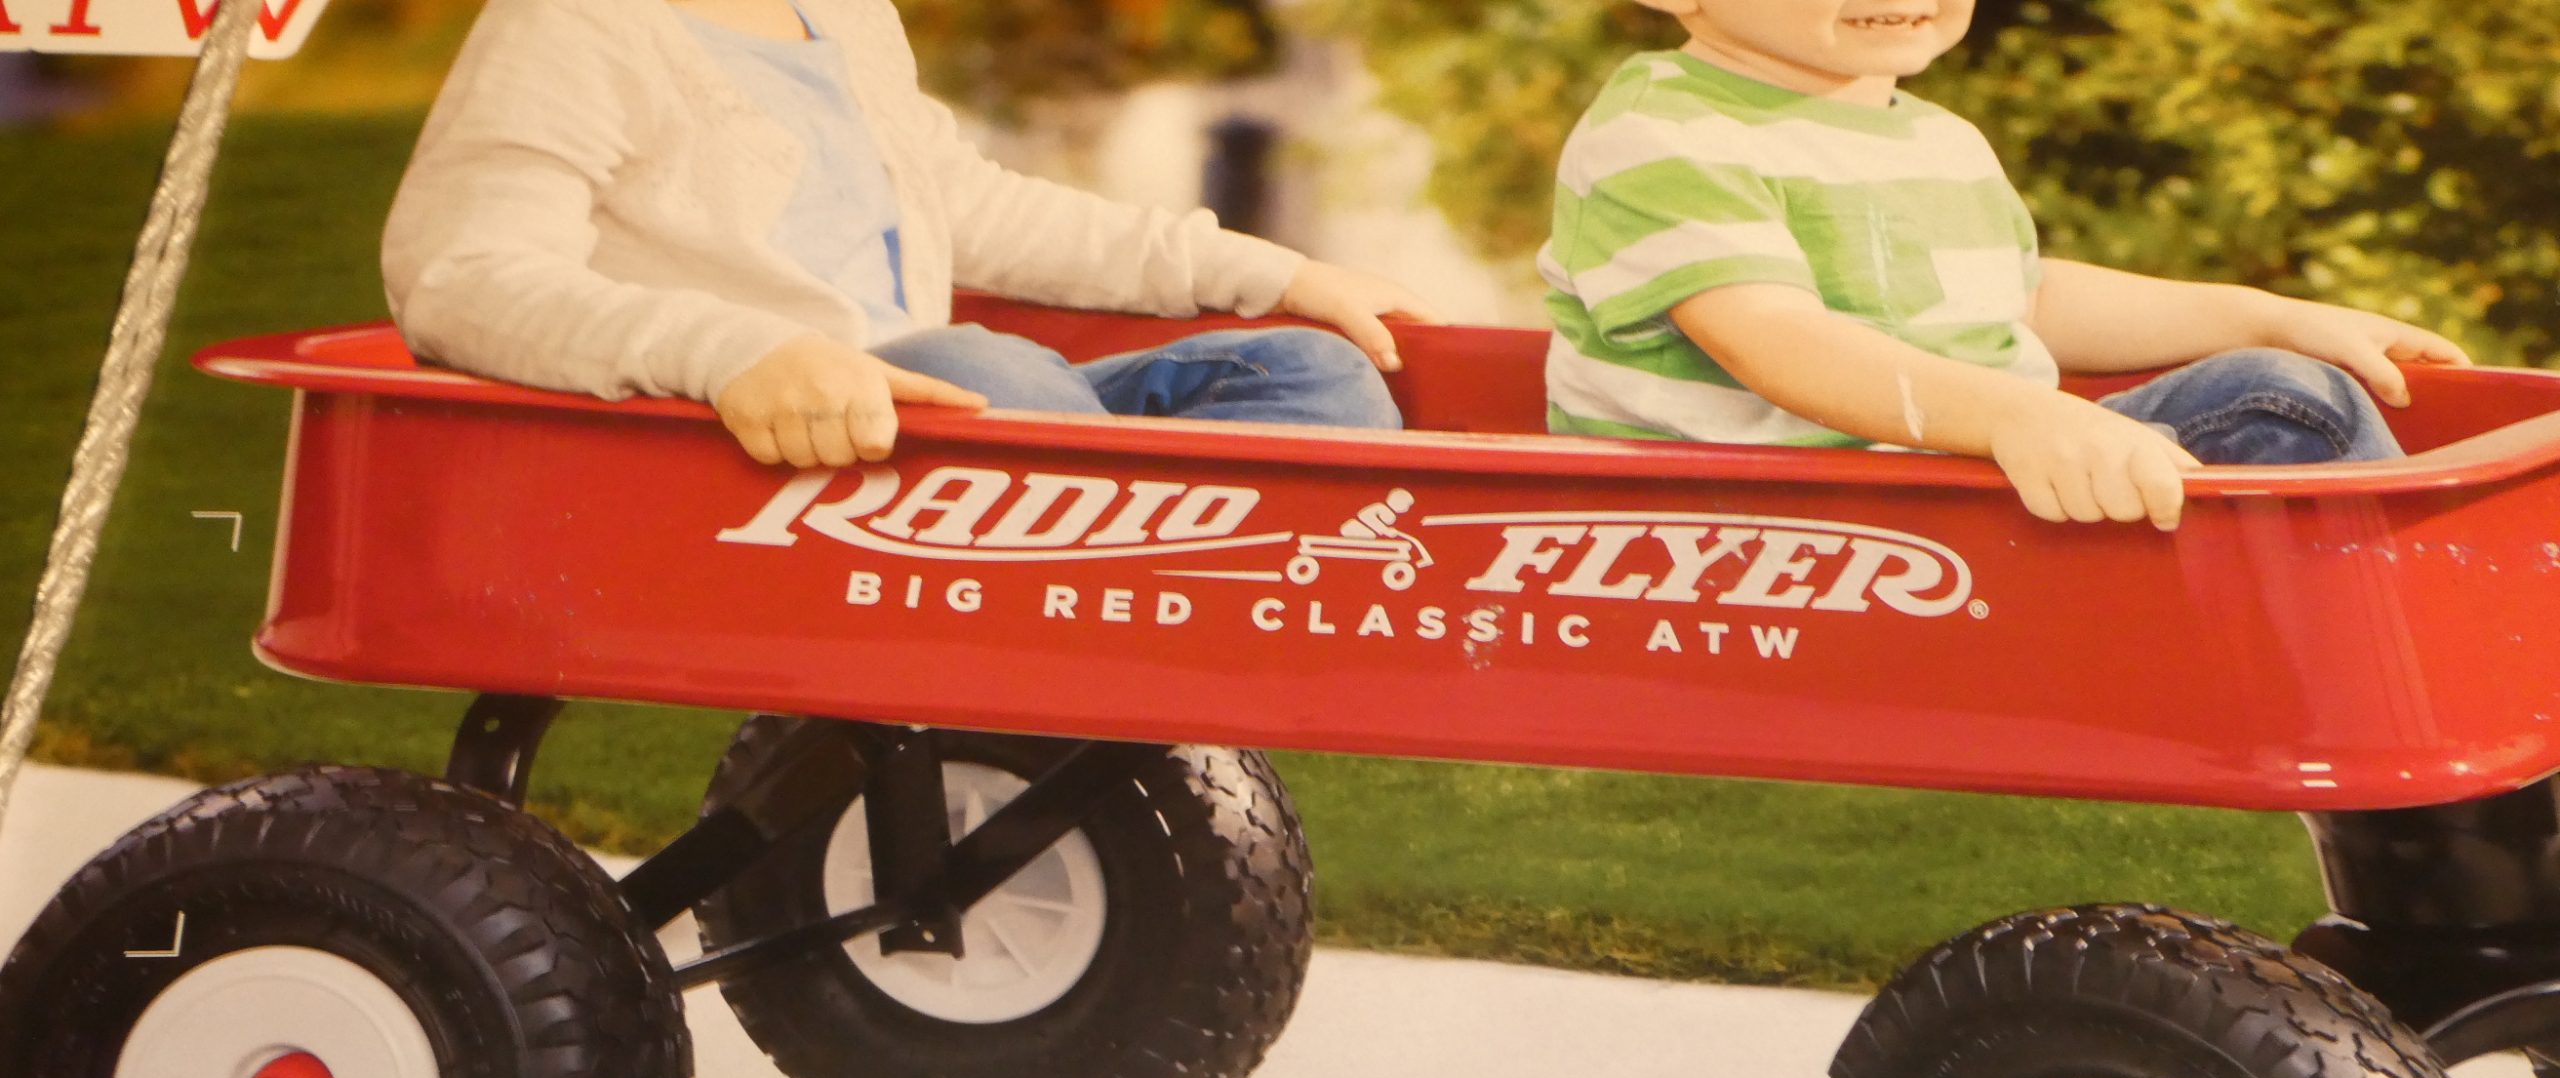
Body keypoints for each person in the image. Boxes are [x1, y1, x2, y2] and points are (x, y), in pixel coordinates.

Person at [1541, 0, 2472, 530]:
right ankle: (2411, 665)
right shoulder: (1663, 131)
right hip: (1776, 520)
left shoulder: (1935, 138)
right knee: (2277, 407)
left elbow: (2024, 299)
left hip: (1958, 476)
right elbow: (1775, 340)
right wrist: (2018, 414)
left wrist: (2263, 314)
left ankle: (2412, 642)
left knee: (2282, 387)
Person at [384, 0, 1435, 468]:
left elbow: (975, 205)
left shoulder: (844, 13)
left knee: (1316, 376)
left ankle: (1168, 600)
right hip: (766, 446)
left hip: (944, 415)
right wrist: (736, 353)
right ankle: (1115, 585)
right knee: (993, 373)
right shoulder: (573, 23)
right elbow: (462, 276)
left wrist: (1267, 271)